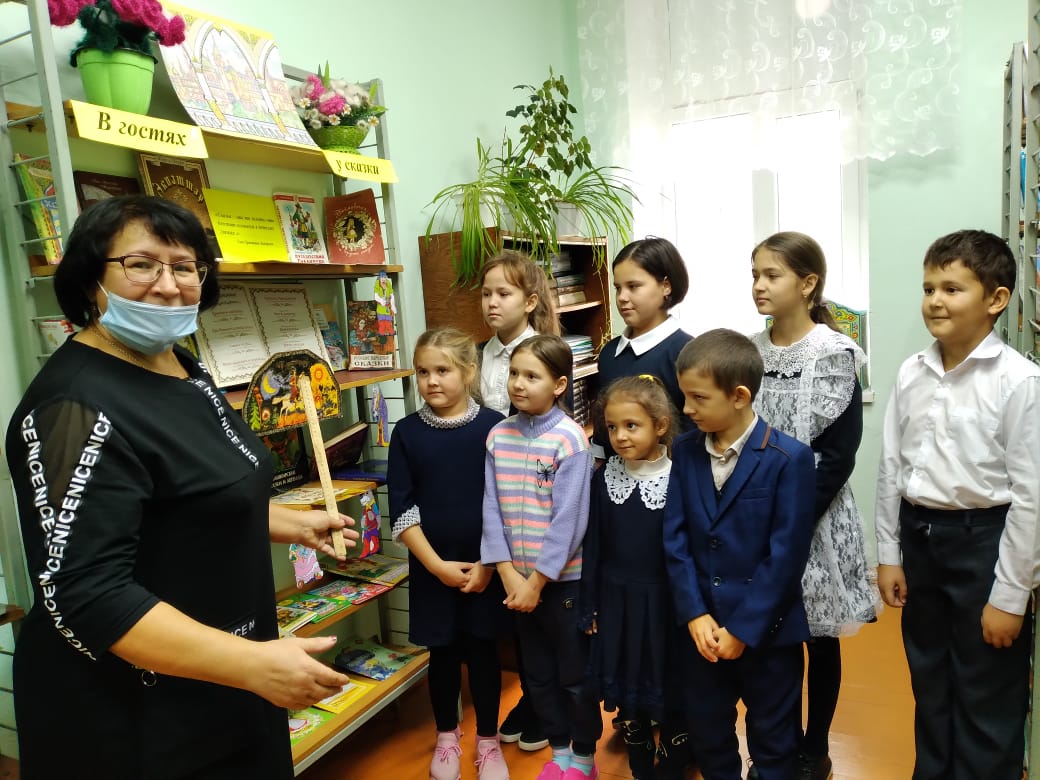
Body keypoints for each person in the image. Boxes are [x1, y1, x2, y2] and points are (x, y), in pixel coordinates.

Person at [3, 195, 358, 779]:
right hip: (133, 717)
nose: (168, 286)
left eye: (185, 266)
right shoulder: (71, 407)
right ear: (91, 278)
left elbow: (187, 491)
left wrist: (284, 522)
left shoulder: (178, 363)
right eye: (141, 264)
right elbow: (88, 593)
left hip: (223, 684)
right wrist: (251, 665)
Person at [875, 229, 1040, 780]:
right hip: (920, 539)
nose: (935, 301)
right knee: (930, 681)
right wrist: (889, 554)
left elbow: (1031, 498)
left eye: (952, 288)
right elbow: (892, 467)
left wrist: (1010, 596)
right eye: (928, 288)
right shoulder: (911, 372)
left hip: (985, 545)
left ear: (996, 299)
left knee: (986, 691)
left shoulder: (1020, 381)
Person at [748, 232, 878, 780]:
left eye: (771, 275)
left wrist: (792, 517)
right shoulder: (749, 352)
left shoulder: (835, 354)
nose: (759, 285)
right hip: (756, 517)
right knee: (770, 637)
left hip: (815, 522)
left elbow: (839, 457)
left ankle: (815, 747)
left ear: (807, 284)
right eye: (754, 275)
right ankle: (774, 744)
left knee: (820, 640)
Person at [663, 329, 816, 780]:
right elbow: (674, 538)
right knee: (709, 735)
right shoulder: (685, 450)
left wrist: (743, 630)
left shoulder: (789, 458)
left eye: (698, 398)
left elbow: (786, 556)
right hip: (702, 633)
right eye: (684, 396)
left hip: (768, 634)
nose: (686, 409)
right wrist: (694, 613)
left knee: (774, 742)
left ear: (739, 396)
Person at [387, 327, 510, 780]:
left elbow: (505, 502)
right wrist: (436, 566)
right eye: (423, 372)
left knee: (483, 651)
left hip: (486, 566)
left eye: (443, 370)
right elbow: (402, 508)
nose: (432, 380)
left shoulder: (495, 427)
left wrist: (489, 564)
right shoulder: (406, 433)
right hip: (431, 567)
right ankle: (446, 737)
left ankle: (488, 741)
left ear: (469, 371)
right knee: (441, 654)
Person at [481, 335, 601, 780]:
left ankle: (584, 757)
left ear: (559, 384)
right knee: (538, 675)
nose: (518, 383)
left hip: (561, 585)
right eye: (514, 373)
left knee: (574, 677)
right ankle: (559, 752)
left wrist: (536, 581)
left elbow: (569, 520)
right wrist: (507, 572)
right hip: (516, 585)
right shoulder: (498, 436)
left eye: (532, 376)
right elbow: (490, 508)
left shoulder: (569, 439)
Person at [579, 375, 689, 779]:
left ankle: (674, 758)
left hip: (664, 603)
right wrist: (590, 604)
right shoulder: (604, 478)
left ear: (660, 426)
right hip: (617, 602)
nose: (620, 436)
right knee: (627, 681)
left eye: (631, 425)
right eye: (612, 427)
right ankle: (640, 759)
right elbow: (594, 545)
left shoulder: (680, 478)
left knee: (669, 680)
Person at [477, 249, 558, 751]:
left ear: (529, 301)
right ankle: (531, 694)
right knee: (509, 612)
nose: (492, 302)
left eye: (503, 293)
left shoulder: (540, 355)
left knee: (539, 613)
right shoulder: (480, 353)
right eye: (486, 293)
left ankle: (544, 701)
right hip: (491, 486)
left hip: (531, 497)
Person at [593, 237, 692, 459]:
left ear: (666, 286)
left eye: (633, 286)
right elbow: (602, 428)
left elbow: (695, 429)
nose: (622, 297)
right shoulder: (609, 353)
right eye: (618, 288)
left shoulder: (687, 352)